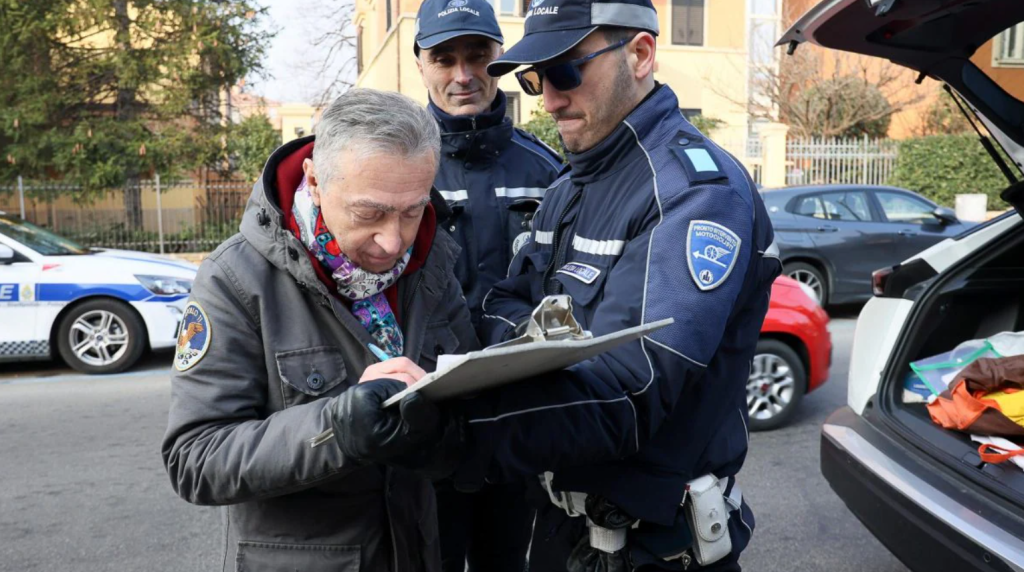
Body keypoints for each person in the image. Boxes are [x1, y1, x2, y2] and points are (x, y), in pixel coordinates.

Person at [347, 0, 782, 568]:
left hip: (655, 544)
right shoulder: (573, 182)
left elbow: (635, 385)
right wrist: (450, 381)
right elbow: (514, 297)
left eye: (567, 70)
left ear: (641, 53)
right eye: (536, 77)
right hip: (563, 527)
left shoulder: (696, 191)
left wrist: (450, 430)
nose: (549, 98)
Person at [161, 88, 478, 572]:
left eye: (412, 211)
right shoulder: (237, 279)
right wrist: (337, 428)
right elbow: (196, 460)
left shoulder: (431, 263)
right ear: (314, 178)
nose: (393, 242)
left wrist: (442, 430)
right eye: (369, 213)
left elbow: (465, 415)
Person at [412, 0, 562, 570]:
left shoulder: (547, 171)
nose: (463, 75)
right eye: (444, 58)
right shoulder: (401, 167)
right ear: (421, 63)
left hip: (517, 425)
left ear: (498, 59)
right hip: (427, 428)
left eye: (477, 56)